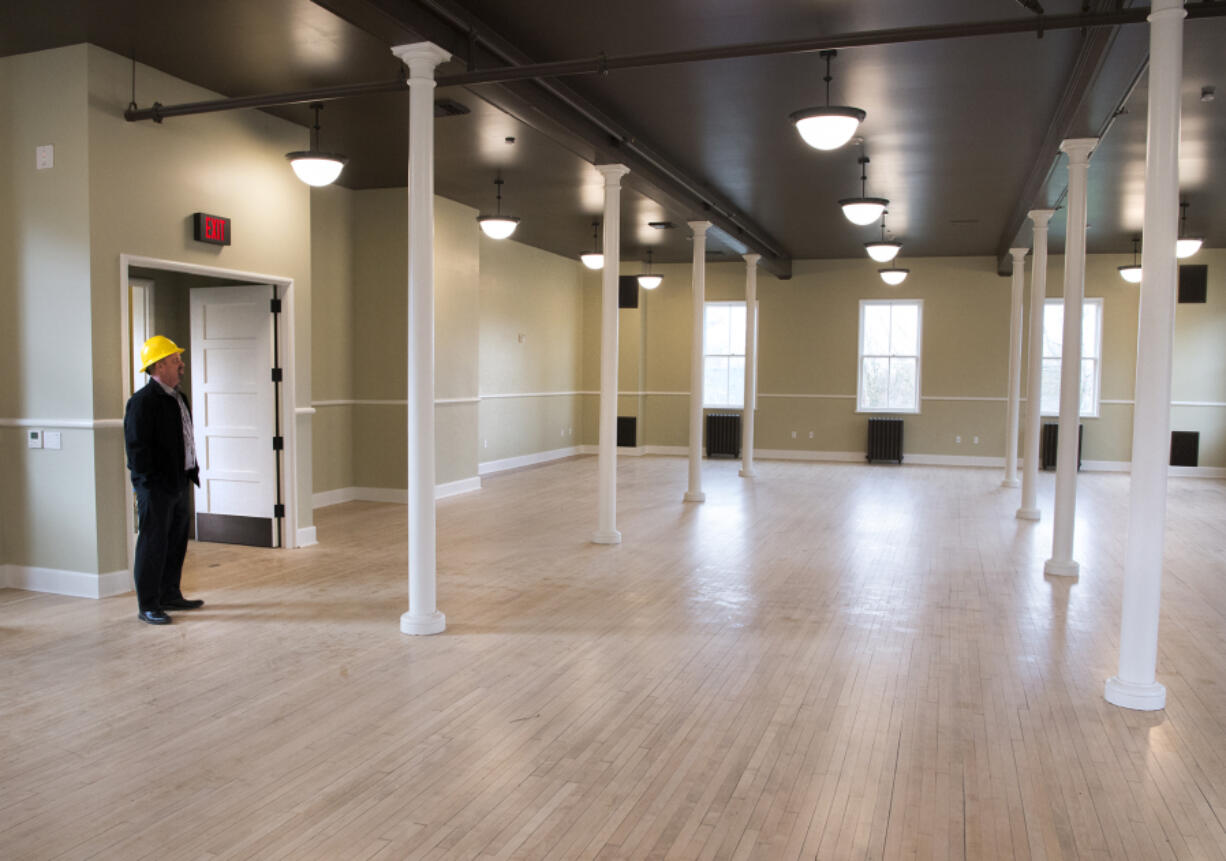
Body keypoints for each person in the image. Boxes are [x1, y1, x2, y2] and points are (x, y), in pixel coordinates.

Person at [124, 335, 205, 625]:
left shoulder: (178, 397)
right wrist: (150, 483)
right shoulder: (142, 403)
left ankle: (170, 593)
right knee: (153, 543)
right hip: (156, 487)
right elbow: (137, 449)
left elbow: (185, 437)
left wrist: (189, 471)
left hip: (180, 481)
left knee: (175, 541)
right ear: (159, 366)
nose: (181, 364)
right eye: (175, 360)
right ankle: (148, 604)